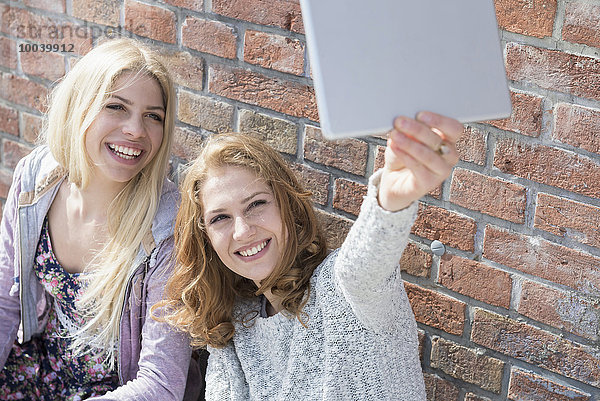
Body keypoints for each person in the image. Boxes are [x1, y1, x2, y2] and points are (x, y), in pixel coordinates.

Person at [159, 112, 463, 400]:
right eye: (220, 218)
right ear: (206, 239)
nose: (242, 231)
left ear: (288, 206)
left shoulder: (342, 290)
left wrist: (389, 201)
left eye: (256, 205)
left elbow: (366, 264)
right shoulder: (234, 324)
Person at [0, 38, 204, 400]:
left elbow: (161, 384)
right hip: (37, 371)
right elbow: (5, 302)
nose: (136, 130)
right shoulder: (34, 180)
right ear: (80, 107)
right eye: (116, 107)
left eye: (152, 116)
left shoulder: (168, 228)